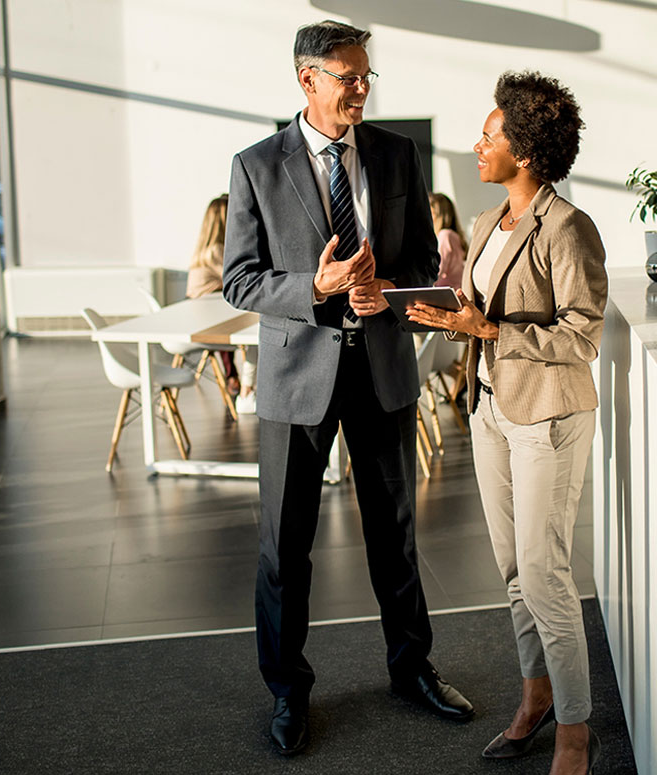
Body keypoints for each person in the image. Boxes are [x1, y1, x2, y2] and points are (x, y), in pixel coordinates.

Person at [223, 19, 473, 756]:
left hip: (382, 368)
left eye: (367, 75)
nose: (362, 88)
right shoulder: (255, 166)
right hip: (298, 377)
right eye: (349, 77)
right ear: (308, 80)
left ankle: (412, 669)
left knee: (394, 536)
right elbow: (240, 277)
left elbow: (426, 255)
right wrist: (317, 285)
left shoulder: (398, 155)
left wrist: (386, 288)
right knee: (284, 547)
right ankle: (287, 693)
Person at [406, 71, 607, 775]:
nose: (476, 145)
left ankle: (575, 732)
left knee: (546, 573)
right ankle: (536, 694)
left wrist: (487, 327)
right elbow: (478, 314)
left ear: (522, 149)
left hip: (547, 415)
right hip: (490, 408)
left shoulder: (570, 227)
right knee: (515, 569)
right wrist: (444, 315)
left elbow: (582, 334)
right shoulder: (490, 223)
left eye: (488, 135)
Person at [186, 195, 256, 408]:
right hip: (208, 318)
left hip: (200, 310)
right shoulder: (217, 251)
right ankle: (246, 387)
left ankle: (235, 378)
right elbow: (238, 280)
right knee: (253, 332)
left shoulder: (205, 249)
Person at [429, 192, 467, 288]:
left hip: (447, 293)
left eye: (431, 213)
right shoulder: (453, 236)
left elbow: (438, 268)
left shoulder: (445, 235)